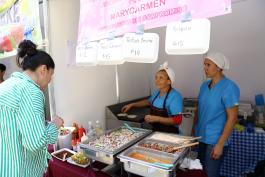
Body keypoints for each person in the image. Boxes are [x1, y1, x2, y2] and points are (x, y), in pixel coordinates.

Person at [0, 40, 64, 177]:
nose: (50, 80)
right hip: (21, 171)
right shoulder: (31, 91)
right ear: (43, 70)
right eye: (51, 75)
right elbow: (35, 142)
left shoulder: (6, 86)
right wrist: (54, 125)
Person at [193, 52, 240, 177]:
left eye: (208, 65)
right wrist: (193, 130)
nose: (205, 68)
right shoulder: (204, 86)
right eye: (204, 64)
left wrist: (220, 144)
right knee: (199, 171)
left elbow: (232, 117)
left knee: (210, 174)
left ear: (219, 67)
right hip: (200, 137)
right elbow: (199, 109)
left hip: (215, 140)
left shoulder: (229, 87)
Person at [122, 62, 183, 133]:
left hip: (170, 134)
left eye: (161, 78)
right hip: (155, 132)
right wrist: (132, 104)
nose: (157, 81)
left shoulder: (175, 96)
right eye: (156, 77)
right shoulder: (157, 93)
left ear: (169, 81)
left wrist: (157, 119)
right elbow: (148, 102)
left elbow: (177, 120)